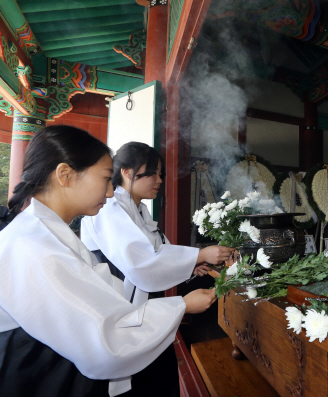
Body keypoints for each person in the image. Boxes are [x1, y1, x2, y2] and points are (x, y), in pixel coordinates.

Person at [0, 126, 217, 397]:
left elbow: (100, 297)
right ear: (64, 175)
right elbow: (105, 343)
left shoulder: (46, 231)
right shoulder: (34, 246)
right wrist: (180, 305)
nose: (111, 192)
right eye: (105, 179)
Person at [80, 142, 233, 396]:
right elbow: (142, 263)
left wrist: (192, 264)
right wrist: (200, 254)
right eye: (153, 173)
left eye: (160, 174)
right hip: (122, 316)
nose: (159, 180)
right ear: (128, 173)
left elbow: (158, 251)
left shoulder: (137, 209)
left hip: (144, 311)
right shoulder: (109, 210)